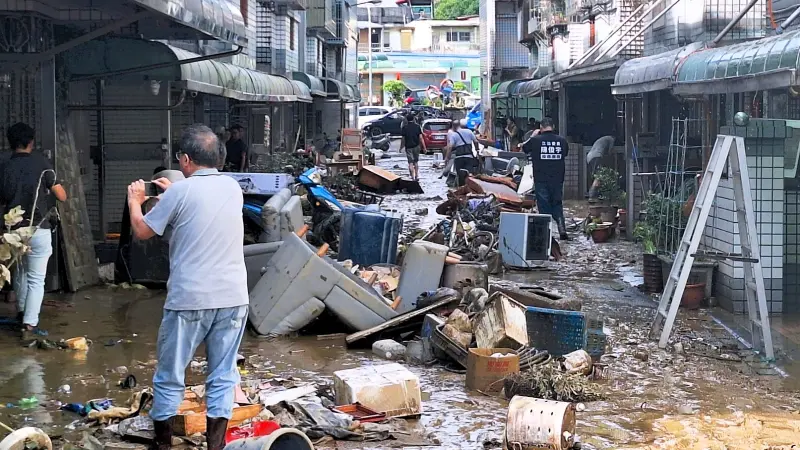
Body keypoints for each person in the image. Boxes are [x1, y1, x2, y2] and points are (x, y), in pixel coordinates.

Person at [126, 124, 248, 450]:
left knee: (170, 375)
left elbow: (141, 231)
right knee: (222, 375)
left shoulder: (180, 193)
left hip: (190, 298)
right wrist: (172, 194)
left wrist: (135, 200)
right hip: (233, 297)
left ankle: (164, 445)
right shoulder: (233, 188)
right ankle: (216, 446)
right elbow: (199, 208)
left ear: (184, 159)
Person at [0, 122, 67, 339]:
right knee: (37, 279)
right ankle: (29, 324)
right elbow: (62, 196)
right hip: (38, 228)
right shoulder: (42, 164)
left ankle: (21, 312)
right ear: (31, 142)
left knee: (19, 271)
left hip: (13, 230)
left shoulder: (4, 166)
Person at [522, 117, 570, 240]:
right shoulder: (562, 140)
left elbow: (524, 148)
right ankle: (562, 229)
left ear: (541, 128)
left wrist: (533, 136)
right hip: (558, 179)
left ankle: (546, 235)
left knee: (543, 206)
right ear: (553, 127)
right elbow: (565, 153)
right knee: (557, 204)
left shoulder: (535, 140)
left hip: (541, 179)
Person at [443, 119, 479, 187]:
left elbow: (450, 147)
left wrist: (447, 157)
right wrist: (477, 150)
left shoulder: (454, 135)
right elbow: (476, 141)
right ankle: (470, 186)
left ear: (453, 126)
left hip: (459, 158)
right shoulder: (469, 131)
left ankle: (461, 188)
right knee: (469, 173)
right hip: (469, 156)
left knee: (460, 174)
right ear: (459, 125)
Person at [587, 135, 615, 201]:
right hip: (596, 156)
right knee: (599, 177)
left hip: (589, 157)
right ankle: (592, 196)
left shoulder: (602, 139)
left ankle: (593, 194)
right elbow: (610, 151)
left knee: (595, 176)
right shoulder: (611, 139)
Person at [400, 113, 426, 180]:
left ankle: (412, 177)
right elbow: (421, 138)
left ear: (407, 119)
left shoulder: (404, 128)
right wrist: (424, 147)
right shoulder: (417, 126)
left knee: (410, 163)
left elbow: (403, 139)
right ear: (413, 119)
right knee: (416, 162)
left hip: (408, 147)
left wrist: (401, 147)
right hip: (416, 146)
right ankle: (417, 175)